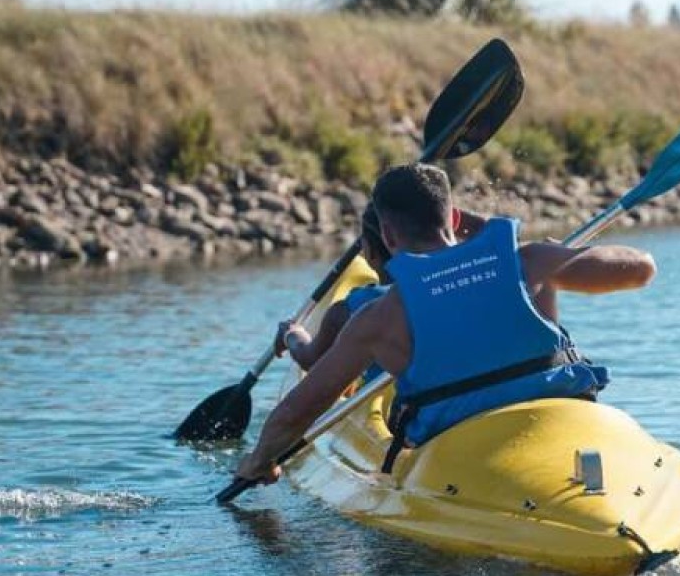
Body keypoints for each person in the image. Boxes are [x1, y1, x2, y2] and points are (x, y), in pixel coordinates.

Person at [236, 163, 656, 484]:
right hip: (572, 424)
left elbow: (295, 412)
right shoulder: (527, 262)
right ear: (454, 218)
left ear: (386, 232)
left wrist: (258, 462)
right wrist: (515, 242)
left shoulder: (378, 319)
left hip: (465, 456)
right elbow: (640, 269)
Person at [273, 204, 492, 385]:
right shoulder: (474, 276)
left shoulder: (350, 309)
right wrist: (433, 205)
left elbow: (311, 361)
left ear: (368, 251)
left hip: (408, 407)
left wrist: (291, 335)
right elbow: (487, 231)